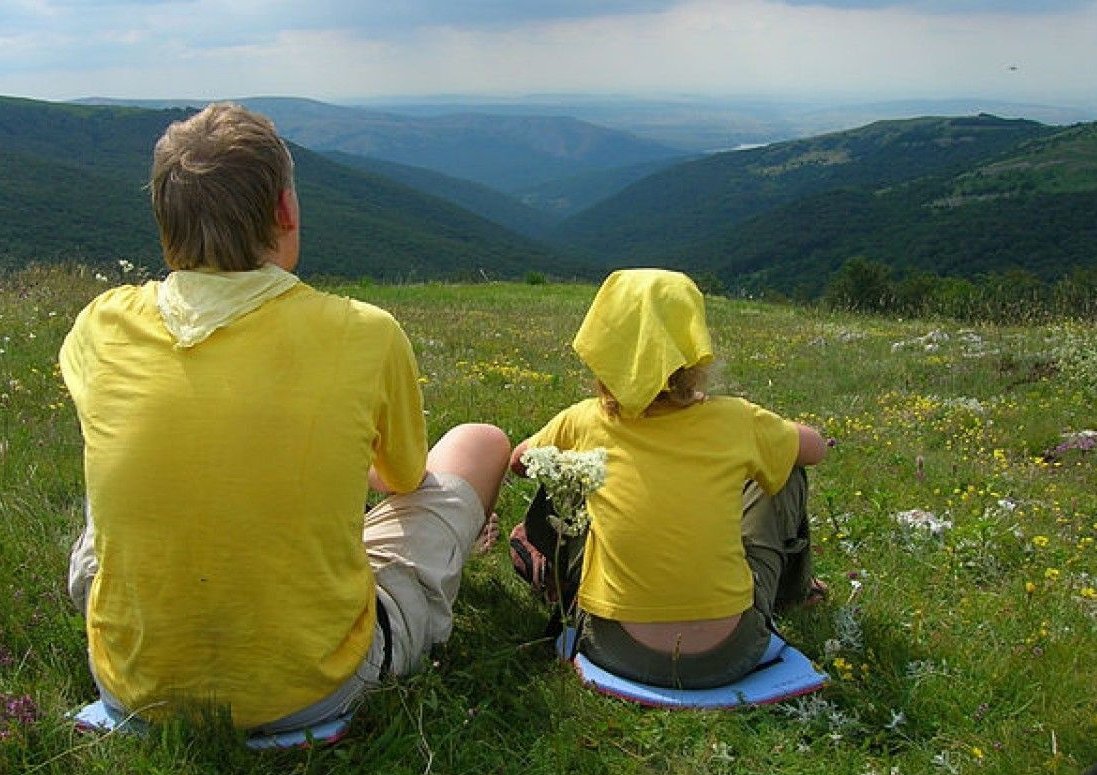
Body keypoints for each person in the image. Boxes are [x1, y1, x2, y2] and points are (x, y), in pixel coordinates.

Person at [60, 102, 509, 733]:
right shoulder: (366, 334)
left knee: (116, 489)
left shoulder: (99, 326)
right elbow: (404, 480)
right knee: (476, 443)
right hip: (315, 687)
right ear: (285, 212)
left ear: (165, 223)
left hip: (134, 683)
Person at [509, 268, 828, 688]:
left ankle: (557, 569)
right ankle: (793, 591)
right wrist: (761, 431)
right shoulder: (737, 420)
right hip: (731, 653)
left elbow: (521, 460)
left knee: (562, 475)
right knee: (785, 468)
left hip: (613, 647)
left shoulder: (583, 420)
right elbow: (817, 448)